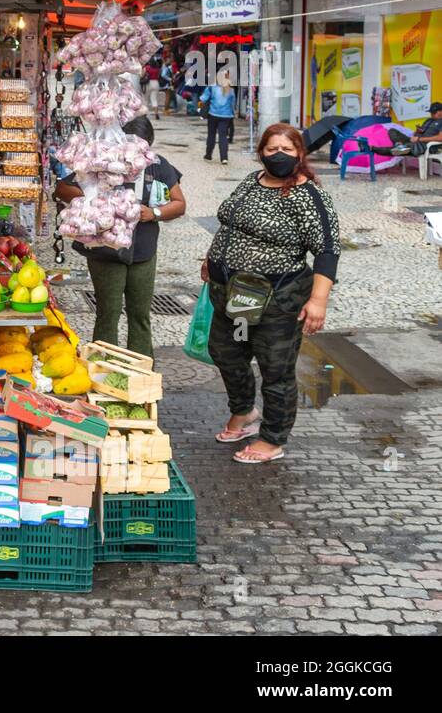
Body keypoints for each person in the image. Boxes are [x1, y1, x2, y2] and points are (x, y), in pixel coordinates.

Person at [203, 123, 340, 464]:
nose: (278, 155)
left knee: (275, 368)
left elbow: (327, 250)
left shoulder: (308, 195)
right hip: (235, 295)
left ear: (300, 154)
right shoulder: (252, 180)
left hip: (277, 298)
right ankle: (245, 412)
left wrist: (318, 300)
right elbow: (230, 223)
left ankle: (273, 438)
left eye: (287, 149)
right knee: (226, 351)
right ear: (261, 151)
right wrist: (212, 258)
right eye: (271, 148)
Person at [55, 116, 186, 359]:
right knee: (108, 311)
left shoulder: (158, 165)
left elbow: (179, 204)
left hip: (143, 252)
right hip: (105, 251)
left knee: (140, 313)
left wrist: (154, 213)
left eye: (141, 147)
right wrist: (94, 202)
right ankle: (104, 371)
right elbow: (62, 188)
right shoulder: (102, 162)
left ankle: (141, 370)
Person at [203, 70, 236, 164]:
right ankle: (224, 158)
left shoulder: (212, 87)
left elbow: (203, 98)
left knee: (211, 135)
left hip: (213, 114)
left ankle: (208, 154)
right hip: (226, 116)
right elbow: (233, 104)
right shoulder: (231, 90)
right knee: (223, 136)